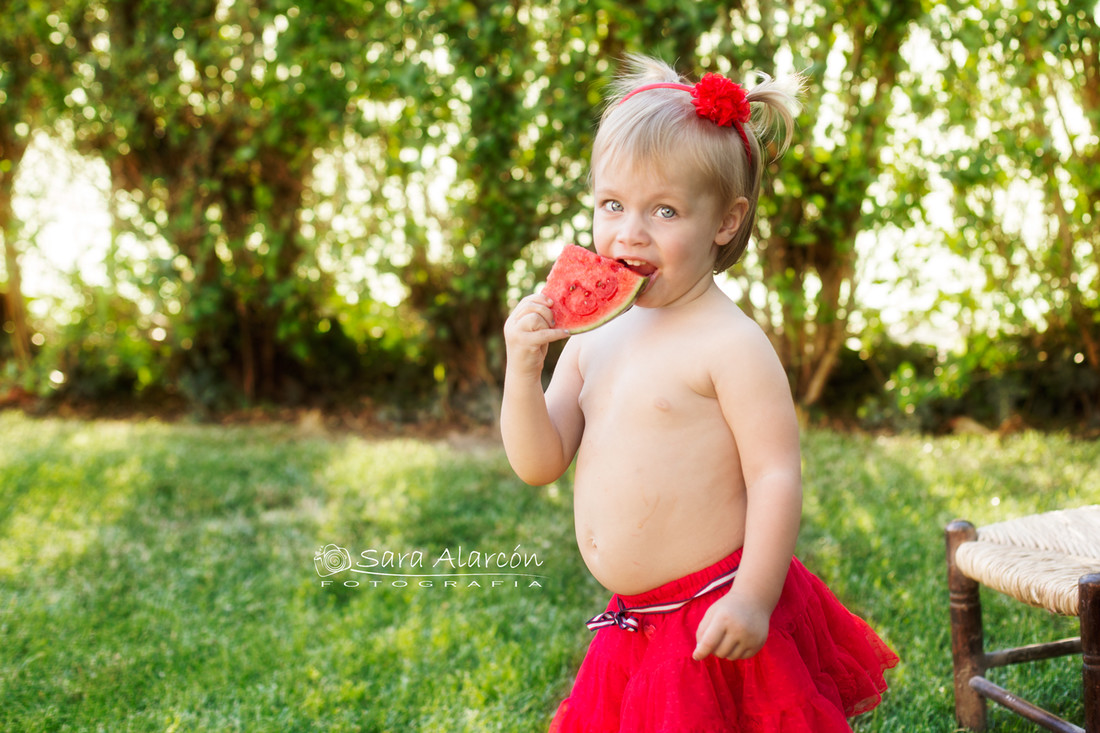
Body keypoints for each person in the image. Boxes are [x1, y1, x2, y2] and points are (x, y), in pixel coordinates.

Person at [500, 55, 898, 732]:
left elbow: (775, 476)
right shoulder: (592, 340)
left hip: (716, 609)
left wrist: (753, 598)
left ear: (724, 221)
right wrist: (521, 369)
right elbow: (538, 462)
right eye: (611, 204)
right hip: (634, 621)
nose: (629, 231)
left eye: (665, 210)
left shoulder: (731, 344)